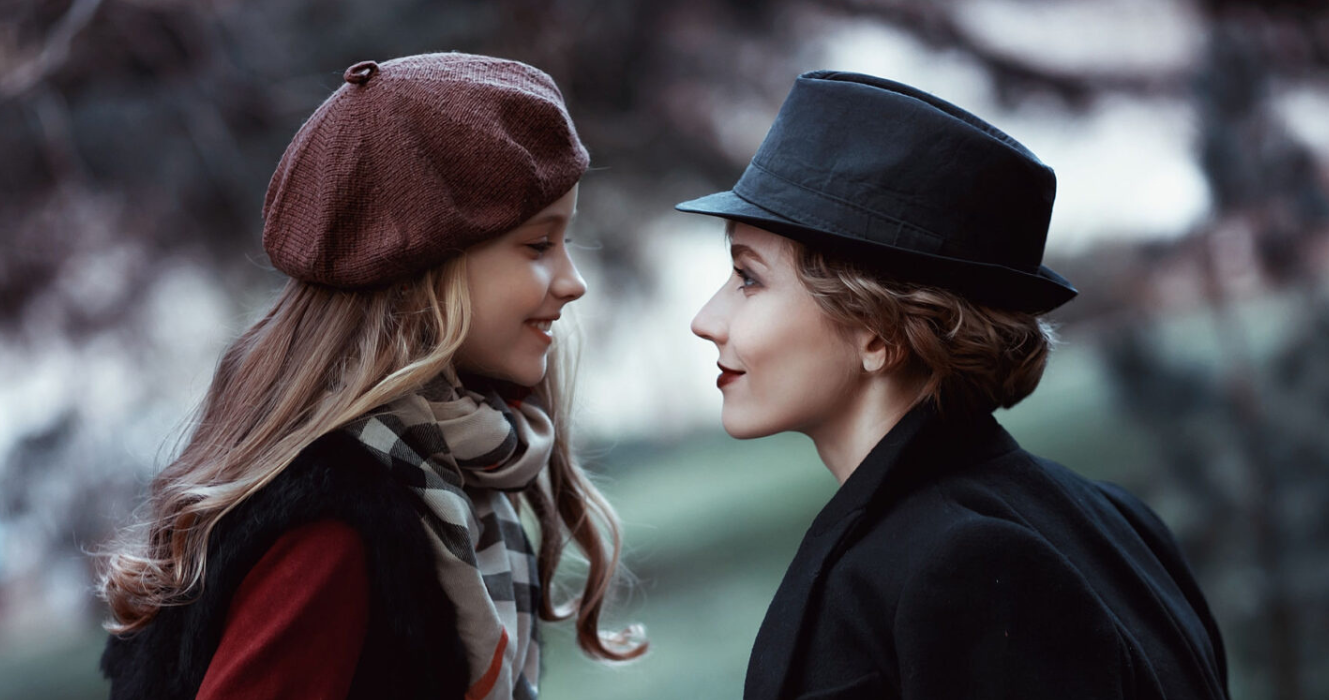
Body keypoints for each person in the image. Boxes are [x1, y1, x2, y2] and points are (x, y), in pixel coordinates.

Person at [97, 52, 644, 700]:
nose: (572, 282)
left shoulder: (449, 472)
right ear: (425, 270)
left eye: (568, 241)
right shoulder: (333, 526)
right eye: (536, 246)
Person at [678, 70, 1229, 700]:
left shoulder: (955, 568)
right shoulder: (1117, 520)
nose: (705, 320)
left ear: (878, 332)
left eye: (748, 278)